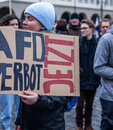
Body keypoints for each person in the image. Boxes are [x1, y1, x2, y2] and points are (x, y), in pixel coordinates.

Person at [15, 2, 68, 130]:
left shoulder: (61, 49)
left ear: (43, 24)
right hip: (28, 122)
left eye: (30, 19)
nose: (24, 22)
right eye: (25, 18)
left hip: (50, 124)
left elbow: (64, 95)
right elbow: (25, 88)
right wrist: (19, 119)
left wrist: (38, 100)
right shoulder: (26, 48)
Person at [76, 19, 100, 130]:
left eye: (85, 28)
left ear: (91, 29)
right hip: (81, 79)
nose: (82, 30)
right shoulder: (79, 42)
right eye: (81, 28)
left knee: (89, 105)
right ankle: (79, 125)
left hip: (93, 79)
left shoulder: (98, 43)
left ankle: (88, 125)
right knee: (80, 105)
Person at [0, 14, 21, 130]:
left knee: (20, 111)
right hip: (5, 79)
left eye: (17, 24)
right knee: (6, 111)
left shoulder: (23, 38)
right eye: (12, 24)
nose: (15, 27)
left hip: (19, 78)